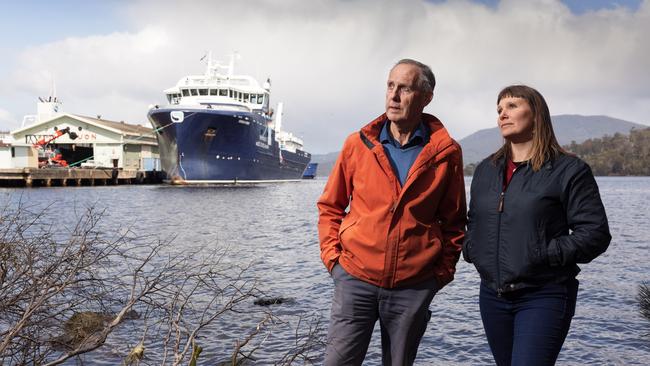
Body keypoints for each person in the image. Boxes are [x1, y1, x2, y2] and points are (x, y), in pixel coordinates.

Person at [317, 59, 466, 365]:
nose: (394, 96)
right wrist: (334, 261)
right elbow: (330, 206)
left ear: (425, 97)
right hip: (354, 279)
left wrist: (439, 276)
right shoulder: (357, 145)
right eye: (390, 86)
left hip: (413, 287)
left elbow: (454, 223)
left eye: (405, 88)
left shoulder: (446, 152)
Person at [463, 85, 611, 365]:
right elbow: (474, 221)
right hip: (492, 296)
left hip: (543, 295)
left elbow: (595, 234)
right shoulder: (485, 170)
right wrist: (473, 249)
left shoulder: (568, 170)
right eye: (499, 109)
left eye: (512, 106)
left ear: (537, 114)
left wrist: (543, 253)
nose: (503, 114)